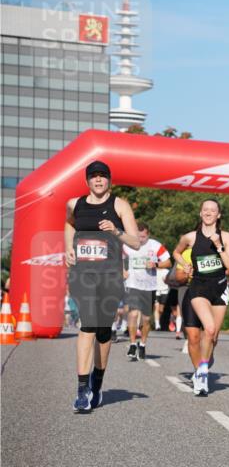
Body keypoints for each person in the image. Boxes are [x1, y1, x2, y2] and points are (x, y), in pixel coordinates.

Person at [64, 160, 141, 411]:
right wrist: (68, 248)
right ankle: (82, 389)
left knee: (103, 332)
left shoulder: (119, 205)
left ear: (109, 180)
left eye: (102, 176)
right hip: (83, 275)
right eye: (93, 177)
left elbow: (136, 242)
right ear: (87, 181)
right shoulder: (75, 204)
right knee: (87, 326)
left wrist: (116, 231)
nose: (98, 180)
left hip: (110, 277)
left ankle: (97, 383)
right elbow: (68, 224)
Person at [172, 199, 229, 395]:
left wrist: (218, 246)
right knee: (203, 331)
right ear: (200, 214)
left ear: (219, 215)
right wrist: (185, 263)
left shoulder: (226, 237)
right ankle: (201, 372)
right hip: (198, 287)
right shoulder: (190, 237)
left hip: (218, 288)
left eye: (213, 210)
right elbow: (176, 252)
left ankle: (204, 364)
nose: (208, 212)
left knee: (213, 335)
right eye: (205, 210)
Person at [122, 222, 171, 360]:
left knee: (146, 319)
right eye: (138, 236)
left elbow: (168, 262)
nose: (140, 240)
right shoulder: (127, 245)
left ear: (148, 235)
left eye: (143, 237)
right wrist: (123, 270)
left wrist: (156, 264)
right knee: (132, 315)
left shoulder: (155, 246)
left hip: (149, 287)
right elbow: (117, 259)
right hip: (132, 284)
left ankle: (142, 344)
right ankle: (132, 345)